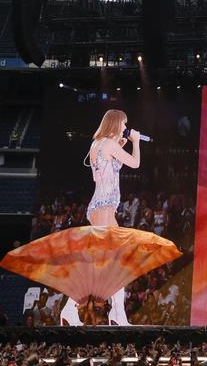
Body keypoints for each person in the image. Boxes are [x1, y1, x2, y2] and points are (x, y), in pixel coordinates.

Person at [61, 108, 142, 327]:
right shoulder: (109, 144)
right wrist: (135, 142)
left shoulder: (97, 144)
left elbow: (103, 174)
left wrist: (120, 147)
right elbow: (135, 164)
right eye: (124, 124)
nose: (126, 128)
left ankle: (109, 313)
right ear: (115, 123)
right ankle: (107, 313)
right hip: (105, 208)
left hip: (100, 206)